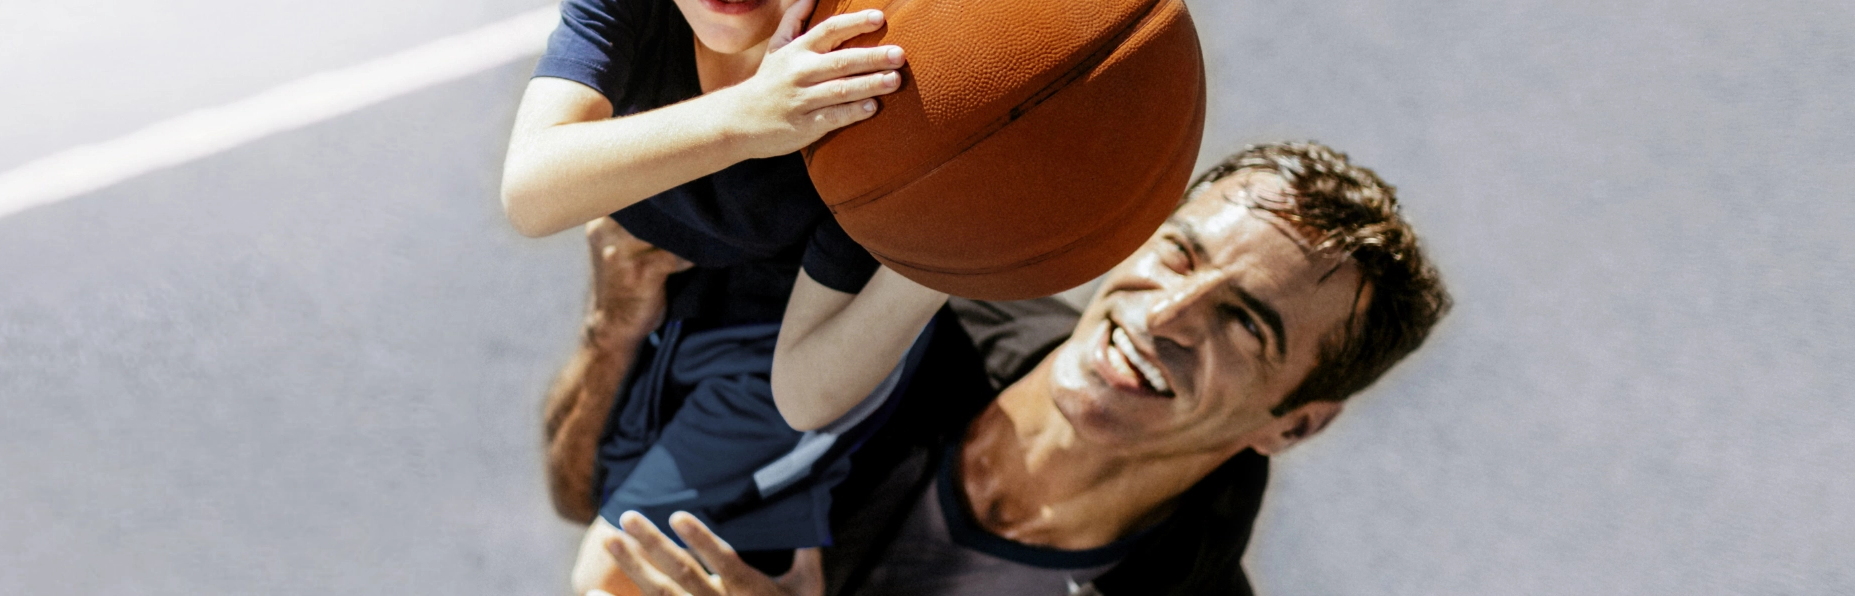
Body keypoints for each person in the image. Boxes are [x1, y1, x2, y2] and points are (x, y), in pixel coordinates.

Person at [501, 0, 957, 588]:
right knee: (576, 483)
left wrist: (944, 246)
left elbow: (807, 386)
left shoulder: (873, 76)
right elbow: (532, 190)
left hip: (790, 334)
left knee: (615, 574)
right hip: (676, 303)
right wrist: (750, 117)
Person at [555, 142, 1453, 596]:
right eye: (1179, 256)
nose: (1165, 315)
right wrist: (615, 335)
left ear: (1293, 422)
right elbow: (589, 494)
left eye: (1244, 324)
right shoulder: (897, 325)